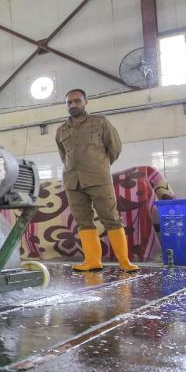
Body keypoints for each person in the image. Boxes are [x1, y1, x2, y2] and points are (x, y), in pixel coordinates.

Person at [55, 88, 138, 272]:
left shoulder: (100, 122)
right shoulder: (61, 130)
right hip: (73, 182)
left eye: (77, 101)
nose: (73, 105)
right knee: (83, 221)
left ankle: (125, 262)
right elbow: (64, 156)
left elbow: (114, 148)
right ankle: (92, 262)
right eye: (69, 102)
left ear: (85, 102)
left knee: (111, 219)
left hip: (98, 178)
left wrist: (99, 166)